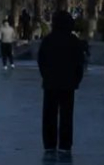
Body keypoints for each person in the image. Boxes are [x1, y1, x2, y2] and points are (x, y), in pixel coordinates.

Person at [35, 10, 87, 153]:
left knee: (49, 115)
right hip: (68, 84)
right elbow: (79, 63)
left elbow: (41, 61)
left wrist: (46, 76)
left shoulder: (48, 40)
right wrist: (76, 80)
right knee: (66, 116)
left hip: (51, 83)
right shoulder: (73, 41)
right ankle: (65, 144)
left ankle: (49, 143)